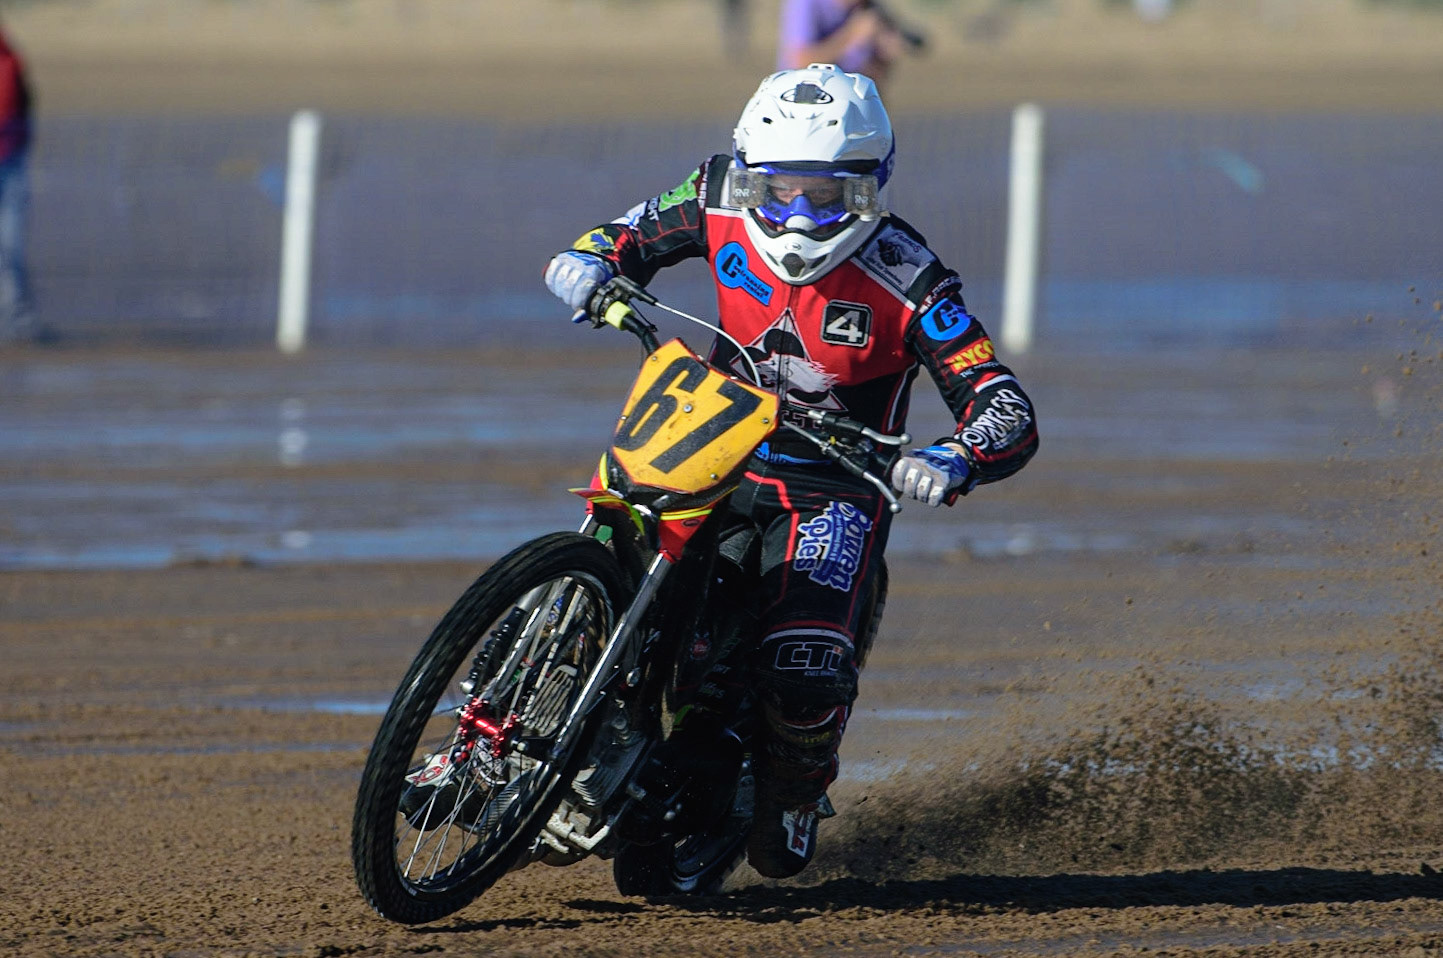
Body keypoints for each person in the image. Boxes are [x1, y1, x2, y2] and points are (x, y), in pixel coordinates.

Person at [542, 64, 1037, 880]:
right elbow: (619, 236)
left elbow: (1001, 400)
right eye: (778, 191)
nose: (798, 215)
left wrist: (955, 455)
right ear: (746, 173)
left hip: (833, 487)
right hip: (705, 441)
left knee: (800, 665)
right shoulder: (710, 197)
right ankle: (534, 731)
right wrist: (586, 260)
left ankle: (795, 790)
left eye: (827, 195)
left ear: (873, 186)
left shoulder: (910, 277)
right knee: (605, 561)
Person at [776, 0, 917, 87]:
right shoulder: (806, 3)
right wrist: (852, 35)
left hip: (848, 104)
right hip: (801, 102)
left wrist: (882, 57)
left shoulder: (868, 8)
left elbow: (871, 82)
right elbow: (800, 61)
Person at [0, 23, 32, 346]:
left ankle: (17, 316)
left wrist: (20, 147)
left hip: (10, 163)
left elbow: (27, 107)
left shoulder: (12, 62)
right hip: (12, 162)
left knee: (11, 244)